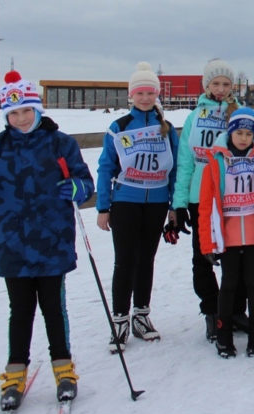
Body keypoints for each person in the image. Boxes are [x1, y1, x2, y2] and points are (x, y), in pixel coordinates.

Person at [0, 71, 92, 410]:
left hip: (52, 240)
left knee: (53, 308)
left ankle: (63, 370)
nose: (21, 119)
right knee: (20, 311)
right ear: (6, 115)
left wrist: (78, 188)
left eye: (26, 111)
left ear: (37, 109)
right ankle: (15, 372)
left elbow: (85, 181)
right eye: (13, 114)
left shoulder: (59, 143)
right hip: (12, 242)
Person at [96, 62, 179, 353]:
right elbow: (106, 167)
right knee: (125, 261)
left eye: (150, 93)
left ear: (156, 95)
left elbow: (175, 168)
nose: (145, 98)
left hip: (156, 203)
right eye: (140, 93)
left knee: (147, 260)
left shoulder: (166, 128)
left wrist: (173, 206)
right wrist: (103, 206)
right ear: (131, 95)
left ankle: (141, 315)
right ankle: (119, 319)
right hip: (125, 202)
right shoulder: (119, 127)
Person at [198, 108, 254, 358]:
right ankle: (223, 334)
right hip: (229, 237)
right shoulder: (215, 163)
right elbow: (205, 206)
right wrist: (207, 244)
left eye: (249, 133)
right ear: (230, 133)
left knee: (253, 284)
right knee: (229, 285)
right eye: (239, 133)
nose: (244, 138)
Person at [169, 58, 240, 343]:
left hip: (232, 198)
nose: (221, 89)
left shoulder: (238, 114)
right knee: (202, 258)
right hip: (200, 197)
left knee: (233, 258)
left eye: (226, 84)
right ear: (206, 85)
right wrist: (179, 202)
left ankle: (233, 309)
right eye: (216, 83)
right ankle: (211, 310)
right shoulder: (193, 118)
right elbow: (185, 162)